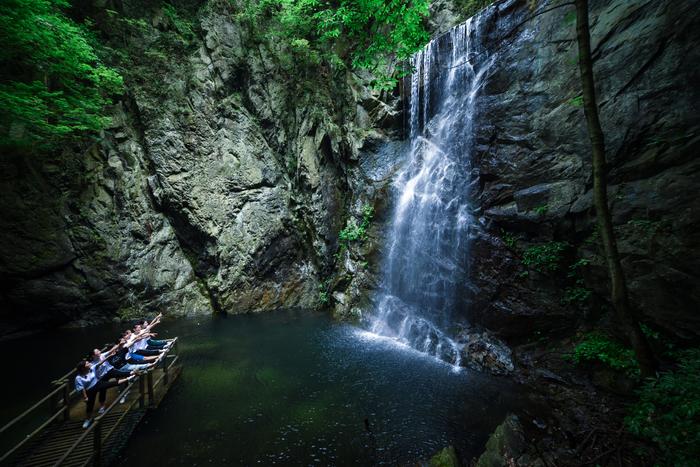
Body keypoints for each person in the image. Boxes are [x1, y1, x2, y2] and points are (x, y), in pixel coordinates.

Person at [74, 357, 134, 428]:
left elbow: (99, 363)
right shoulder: (78, 378)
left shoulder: (92, 368)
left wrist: (109, 356)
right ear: (83, 368)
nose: (89, 363)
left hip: (97, 384)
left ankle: (129, 378)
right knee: (90, 405)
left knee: (111, 384)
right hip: (89, 390)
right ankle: (88, 419)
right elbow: (82, 388)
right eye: (87, 363)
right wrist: (86, 397)